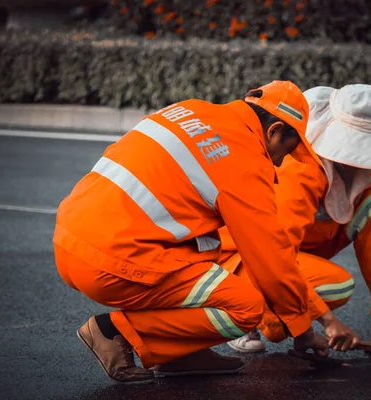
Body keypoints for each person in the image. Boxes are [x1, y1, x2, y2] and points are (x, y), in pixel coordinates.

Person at [52, 80, 332, 385]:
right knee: (247, 306)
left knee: (207, 256)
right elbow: (271, 258)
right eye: (285, 151)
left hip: (69, 239)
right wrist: (303, 331)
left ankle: (177, 352)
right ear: (274, 130)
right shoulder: (245, 160)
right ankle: (115, 332)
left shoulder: (190, 110)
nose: (279, 162)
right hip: (113, 260)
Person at [219, 84, 371, 353]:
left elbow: (364, 197)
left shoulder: (366, 167)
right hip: (250, 257)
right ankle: (248, 317)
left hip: (303, 245)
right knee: (337, 285)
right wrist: (314, 327)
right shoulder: (299, 169)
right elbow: (275, 257)